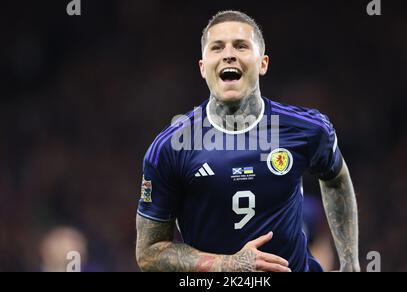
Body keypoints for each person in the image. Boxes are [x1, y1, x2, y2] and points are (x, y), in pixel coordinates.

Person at [135, 10, 360, 272]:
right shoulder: (170, 147)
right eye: (217, 47)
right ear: (203, 67)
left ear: (263, 63)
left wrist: (350, 263)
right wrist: (226, 265)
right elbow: (149, 254)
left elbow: (335, 179)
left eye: (241, 46)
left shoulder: (308, 129)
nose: (228, 54)